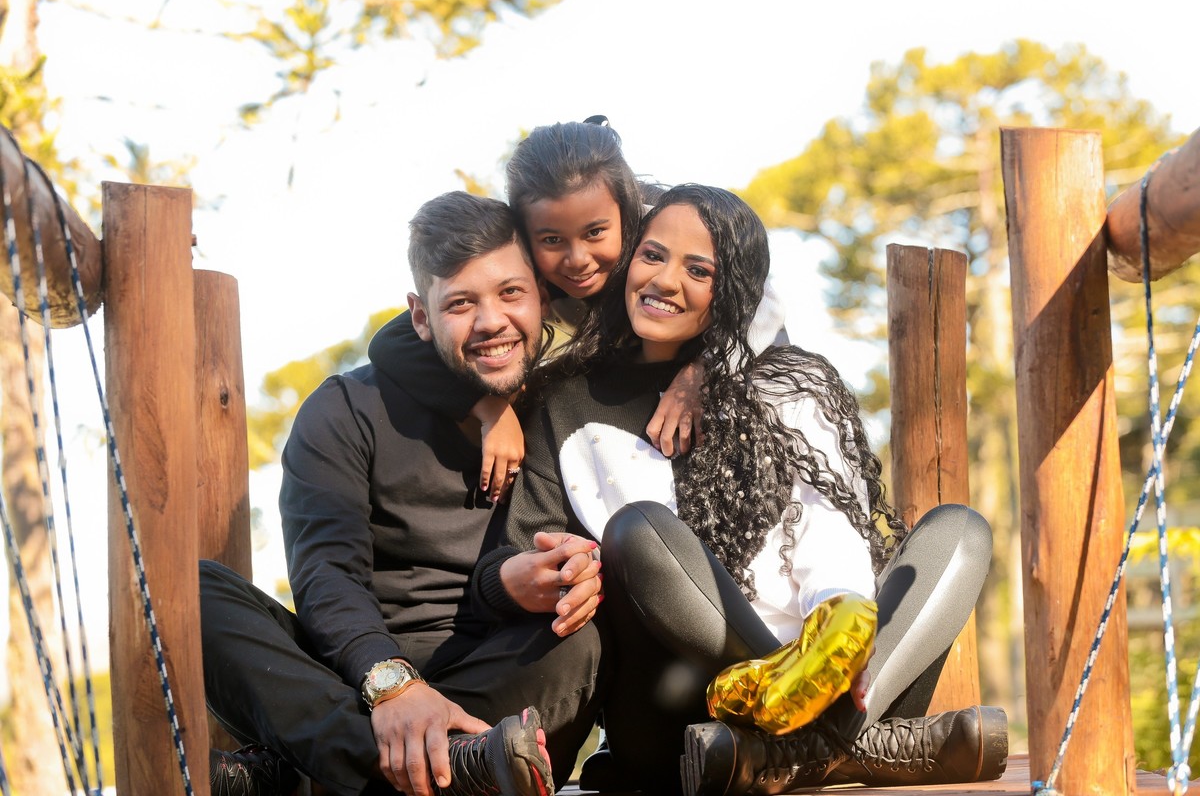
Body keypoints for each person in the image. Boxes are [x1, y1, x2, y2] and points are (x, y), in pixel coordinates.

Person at [470, 184, 1008, 795]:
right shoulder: (564, 401)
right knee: (637, 530)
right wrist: (551, 569)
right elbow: (516, 555)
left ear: (735, 290)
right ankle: (849, 746)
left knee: (961, 531)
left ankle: (791, 747)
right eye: (652, 255)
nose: (665, 280)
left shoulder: (788, 384)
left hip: (844, 683)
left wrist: (839, 628)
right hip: (684, 709)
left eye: (699, 270)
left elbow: (829, 522)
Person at [199, 191, 606, 796]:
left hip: (494, 686)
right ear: (419, 317)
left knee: (581, 639)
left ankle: (316, 772)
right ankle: (418, 766)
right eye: (460, 303)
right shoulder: (343, 410)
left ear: (542, 297)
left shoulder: (568, 415)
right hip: (351, 683)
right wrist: (394, 687)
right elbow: (327, 576)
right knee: (192, 593)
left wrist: (577, 573)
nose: (491, 320)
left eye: (510, 293)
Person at [367, 118, 787, 504]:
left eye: (595, 232)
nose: (577, 260)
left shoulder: (658, 236)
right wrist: (488, 408)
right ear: (525, 235)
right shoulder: (522, 272)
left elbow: (764, 298)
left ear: (628, 212)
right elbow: (393, 339)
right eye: (551, 240)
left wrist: (704, 370)